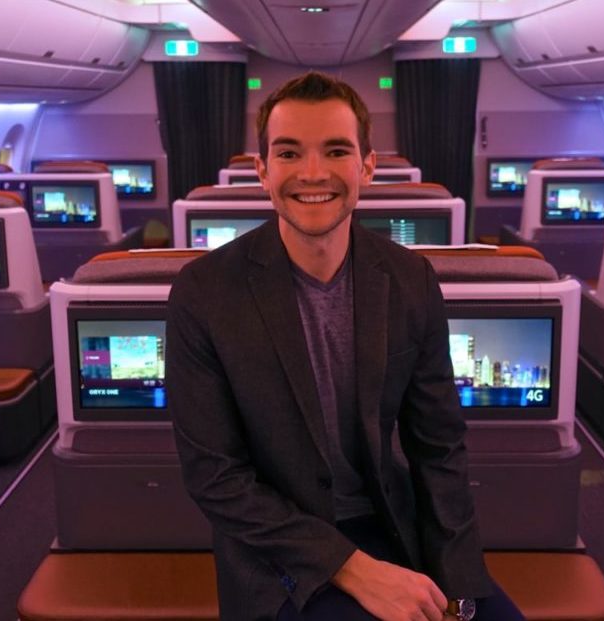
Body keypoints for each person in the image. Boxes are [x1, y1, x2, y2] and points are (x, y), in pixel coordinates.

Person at [167, 71, 524, 621]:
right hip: (279, 551)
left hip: (390, 523)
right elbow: (216, 478)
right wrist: (357, 571)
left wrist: (457, 585)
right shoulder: (205, 293)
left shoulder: (409, 280)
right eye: (289, 153)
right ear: (262, 171)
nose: (313, 173)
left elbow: (439, 447)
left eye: (336, 151)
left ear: (367, 167)